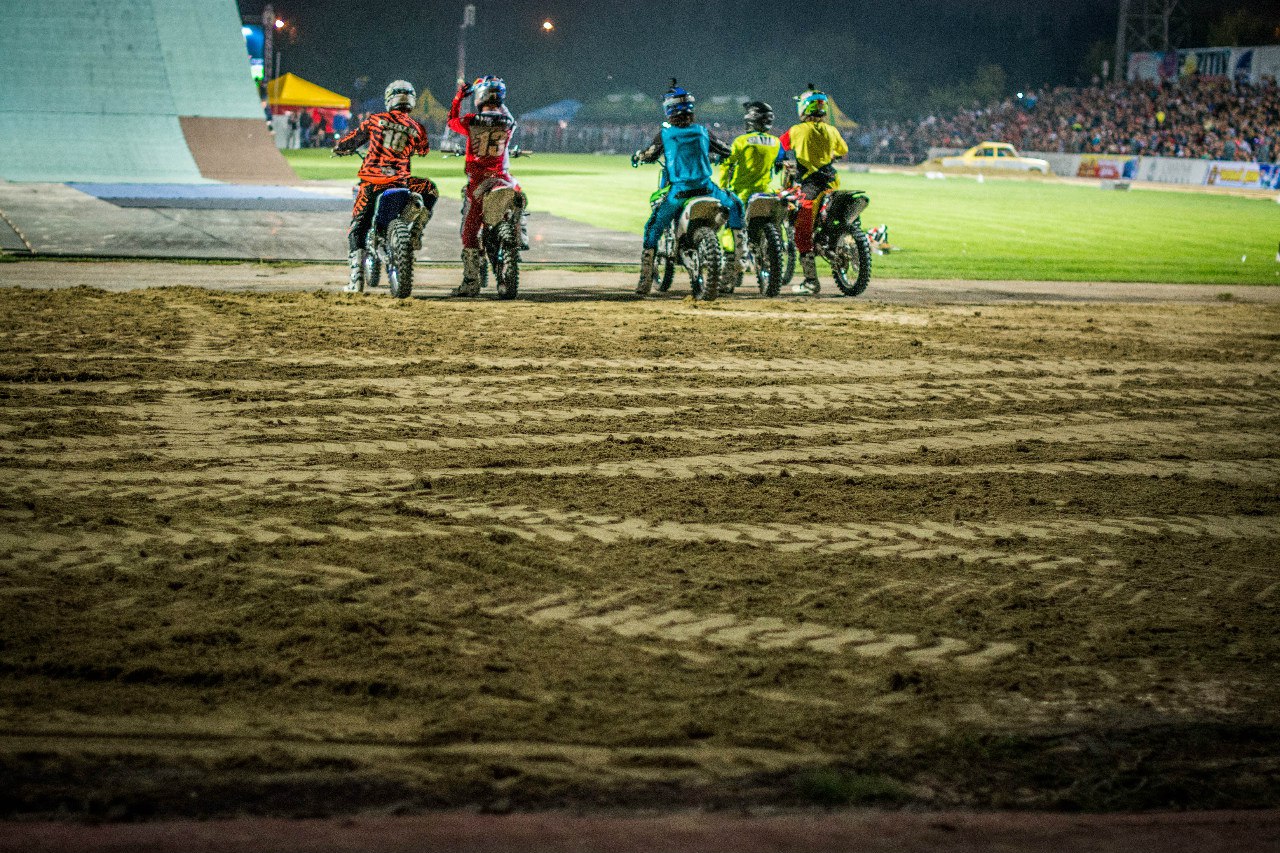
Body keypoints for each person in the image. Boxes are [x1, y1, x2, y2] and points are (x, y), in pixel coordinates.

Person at [631, 80, 745, 295]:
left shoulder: (665, 134)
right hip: (707, 189)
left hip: (679, 192)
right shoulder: (702, 131)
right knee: (736, 204)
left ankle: (645, 280)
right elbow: (726, 150)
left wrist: (638, 157)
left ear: (669, 110)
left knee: (652, 227)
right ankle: (739, 259)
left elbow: (649, 155)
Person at [332, 80, 439, 293]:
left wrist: (340, 147)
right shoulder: (417, 127)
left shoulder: (375, 120)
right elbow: (423, 150)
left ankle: (356, 280)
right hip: (400, 182)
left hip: (372, 181)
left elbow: (353, 139)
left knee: (358, 226)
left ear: (389, 99)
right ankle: (416, 230)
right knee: (430, 189)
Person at [448, 74, 523, 297]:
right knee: (517, 196)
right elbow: (511, 121)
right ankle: (520, 231)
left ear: (480, 97)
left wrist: (458, 98)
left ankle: (471, 282)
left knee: (469, 231)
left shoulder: (472, 120)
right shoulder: (507, 122)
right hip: (502, 178)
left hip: (479, 181)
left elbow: (452, 122)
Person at [780, 84, 848, 294]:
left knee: (802, 232)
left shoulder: (796, 130)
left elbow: (779, 148)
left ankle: (811, 281)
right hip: (832, 183)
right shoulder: (832, 130)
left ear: (803, 108)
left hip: (811, 186)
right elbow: (842, 150)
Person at [717, 100, 785, 286]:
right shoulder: (776, 142)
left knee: (730, 232)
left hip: (742, 194)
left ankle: (728, 276)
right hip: (766, 193)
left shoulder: (741, 141)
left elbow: (726, 164)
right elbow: (780, 165)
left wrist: (723, 187)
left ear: (750, 121)